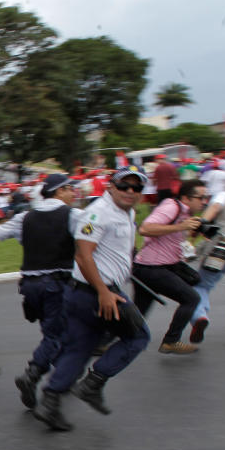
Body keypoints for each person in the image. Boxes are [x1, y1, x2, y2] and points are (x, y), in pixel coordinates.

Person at [31, 166, 152, 431]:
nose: (130, 192)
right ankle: (93, 384)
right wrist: (104, 292)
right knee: (139, 336)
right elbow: (82, 255)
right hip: (98, 293)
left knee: (79, 348)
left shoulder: (126, 211)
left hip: (87, 292)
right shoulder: (98, 212)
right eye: (124, 186)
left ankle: (50, 401)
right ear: (111, 186)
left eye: (137, 187)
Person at [0, 173, 85, 408]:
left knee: (53, 330)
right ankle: (33, 374)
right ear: (59, 191)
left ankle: (63, 376)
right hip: (56, 284)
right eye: (70, 189)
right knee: (57, 334)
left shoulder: (25, 217)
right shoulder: (74, 215)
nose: (74, 193)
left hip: (30, 286)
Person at [132, 179, 205, 353]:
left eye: (205, 197)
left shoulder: (184, 213)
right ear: (186, 198)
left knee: (137, 312)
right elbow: (145, 229)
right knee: (191, 299)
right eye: (200, 197)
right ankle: (171, 341)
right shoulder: (171, 207)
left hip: (149, 266)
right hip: (153, 267)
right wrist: (181, 226)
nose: (204, 201)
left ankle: (100, 340)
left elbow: (170, 237)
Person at [189, 180, 225, 343]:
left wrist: (199, 225)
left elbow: (214, 208)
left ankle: (199, 316)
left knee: (202, 285)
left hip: (219, 248)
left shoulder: (224, 195)